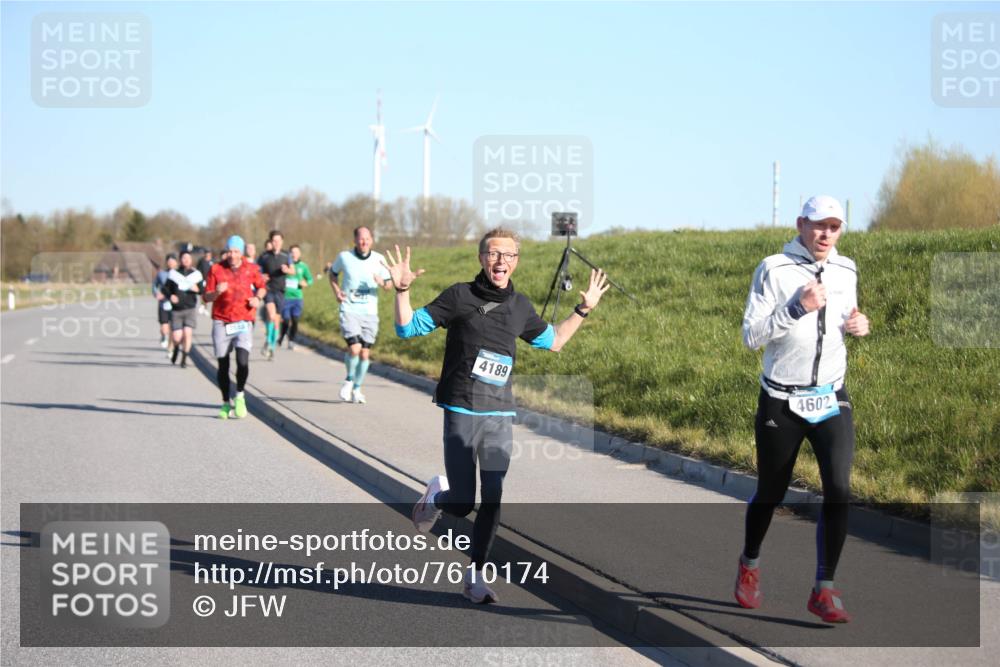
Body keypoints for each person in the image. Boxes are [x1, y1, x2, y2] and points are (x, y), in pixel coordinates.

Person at [388, 228, 610, 603]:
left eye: (508, 255)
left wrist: (583, 309)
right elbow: (407, 328)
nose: (500, 261)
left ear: (516, 262)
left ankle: (475, 576)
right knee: (463, 503)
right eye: (493, 254)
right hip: (461, 407)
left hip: (499, 414)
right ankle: (437, 497)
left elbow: (554, 342)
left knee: (493, 497)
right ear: (481, 258)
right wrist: (402, 291)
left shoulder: (520, 307)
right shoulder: (459, 296)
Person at [736, 195, 870, 624]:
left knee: (839, 489)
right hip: (782, 399)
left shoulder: (846, 269)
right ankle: (750, 563)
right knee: (771, 493)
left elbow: (849, 316)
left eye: (834, 226)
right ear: (801, 224)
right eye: (818, 225)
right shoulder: (773, 268)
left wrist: (858, 325)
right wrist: (796, 307)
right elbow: (751, 337)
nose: (826, 234)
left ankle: (824, 590)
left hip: (831, 395)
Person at [204, 235, 267, 420]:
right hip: (221, 321)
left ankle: (239, 394)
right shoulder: (216, 269)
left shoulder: (251, 268)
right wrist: (216, 292)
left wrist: (258, 298)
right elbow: (206, 297)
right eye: (230, 251)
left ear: (241, 252)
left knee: (242, 361)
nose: (232, 255)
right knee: (223, 365)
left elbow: (262, 287)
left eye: (236, 251)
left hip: (242, 321)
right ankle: (225, 402)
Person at [329, 226, 392, 404]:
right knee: (355, 348)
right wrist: (337, 292)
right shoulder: (344, 257)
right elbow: (332, 274)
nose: (364, 242)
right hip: (350, 310)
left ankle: (357, 389)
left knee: (365, 354)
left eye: (367, 239)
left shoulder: (379, 259)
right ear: (355, 240)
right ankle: (349, 380)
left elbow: (388, 286)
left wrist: (382, 283)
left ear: (372, 240)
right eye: (360, 239)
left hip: (370, 313)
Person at [162, 250, 202, 368]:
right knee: (176, 336)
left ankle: (184, 358)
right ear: (180, 260)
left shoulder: (196, 274)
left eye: (188, 258)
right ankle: (176, 348)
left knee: (187, 333)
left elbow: (202, 290)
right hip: (176, 310)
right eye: (183, 258)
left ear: (191, 260)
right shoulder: (174, 274)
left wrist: (197, 289)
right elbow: (165, 289)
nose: (186, 260)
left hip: (190, 308)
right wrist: (170, 296)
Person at [257, 231, 294, 359]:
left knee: (276, 321)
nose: (276, 243)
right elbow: (256, 271)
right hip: (268, 289)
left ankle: (271, 346)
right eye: (274, 241)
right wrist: (261, 275)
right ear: (271, 242)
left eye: (278, 240)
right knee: (271, 316)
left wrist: (287, 270)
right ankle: (268, 341)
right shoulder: (264, 256)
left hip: (281, 291)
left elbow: (293, 270)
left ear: (282, 241)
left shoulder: (286, 255)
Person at [278, 244, 313, 350]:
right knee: (286, 320)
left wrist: (305, 283)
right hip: (285, 297)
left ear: (299, 253)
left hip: (297, 298)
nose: (294, 254)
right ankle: (282, 336)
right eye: (292, 252)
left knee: (295, 320)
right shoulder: (284, 265)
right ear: (289, 254)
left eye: (296, 252)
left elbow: (310, 280)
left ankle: (292, 340)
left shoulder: (303, 266)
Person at [153, 254, 178, 352]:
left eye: (173, 261)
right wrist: (157, 294)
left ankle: (171, 347)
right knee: (164, 327)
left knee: (174, 327)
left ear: (176, 262)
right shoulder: (161, 274)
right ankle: (163, 336)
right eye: (169, 261)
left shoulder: (179, 274)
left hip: (176, 304)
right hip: (163, 303)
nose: (171, 263)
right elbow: (155, 286)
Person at [196, 249, 214, 316]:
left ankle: (205, 307)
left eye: (209, 254)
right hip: (202, 279)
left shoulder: (212, 262)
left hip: (209, 280)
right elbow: (198, 270)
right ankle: (202, 305)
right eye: (206, 254)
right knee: (202, 293)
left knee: (207, 293)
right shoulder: (201, 261)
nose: (207, 255)